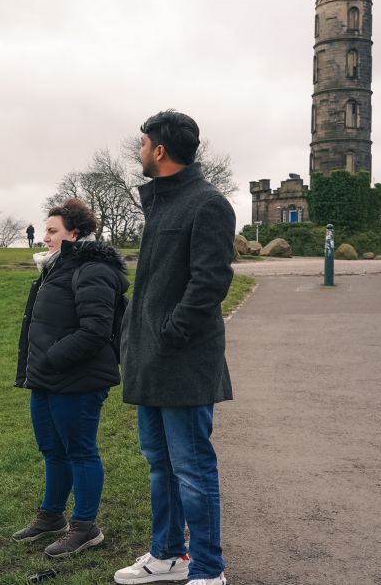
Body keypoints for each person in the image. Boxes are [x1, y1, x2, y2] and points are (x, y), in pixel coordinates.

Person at [114, 111, 233, 585]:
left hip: (182, 360)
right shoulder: (160, 203)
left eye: (142, 144)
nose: (140, 151)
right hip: (149, 360)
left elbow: (210, 282)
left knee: (192, 468)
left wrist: (170, 331)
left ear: (159, 150)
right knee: (160, 464)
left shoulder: (206, 204)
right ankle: (167, 555)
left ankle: (208, 570)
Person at [12, 199, 129, 559]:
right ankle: (50, 517)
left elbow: (94, 331)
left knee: (80, 451)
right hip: (48, 378)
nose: (44, 237)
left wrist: (52, 358)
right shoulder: (55, 268)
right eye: (44, 229)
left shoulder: (92, 270)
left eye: (52, 231)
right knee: (53, 450)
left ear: (73, 234)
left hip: (78, 379)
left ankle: (85, 527)